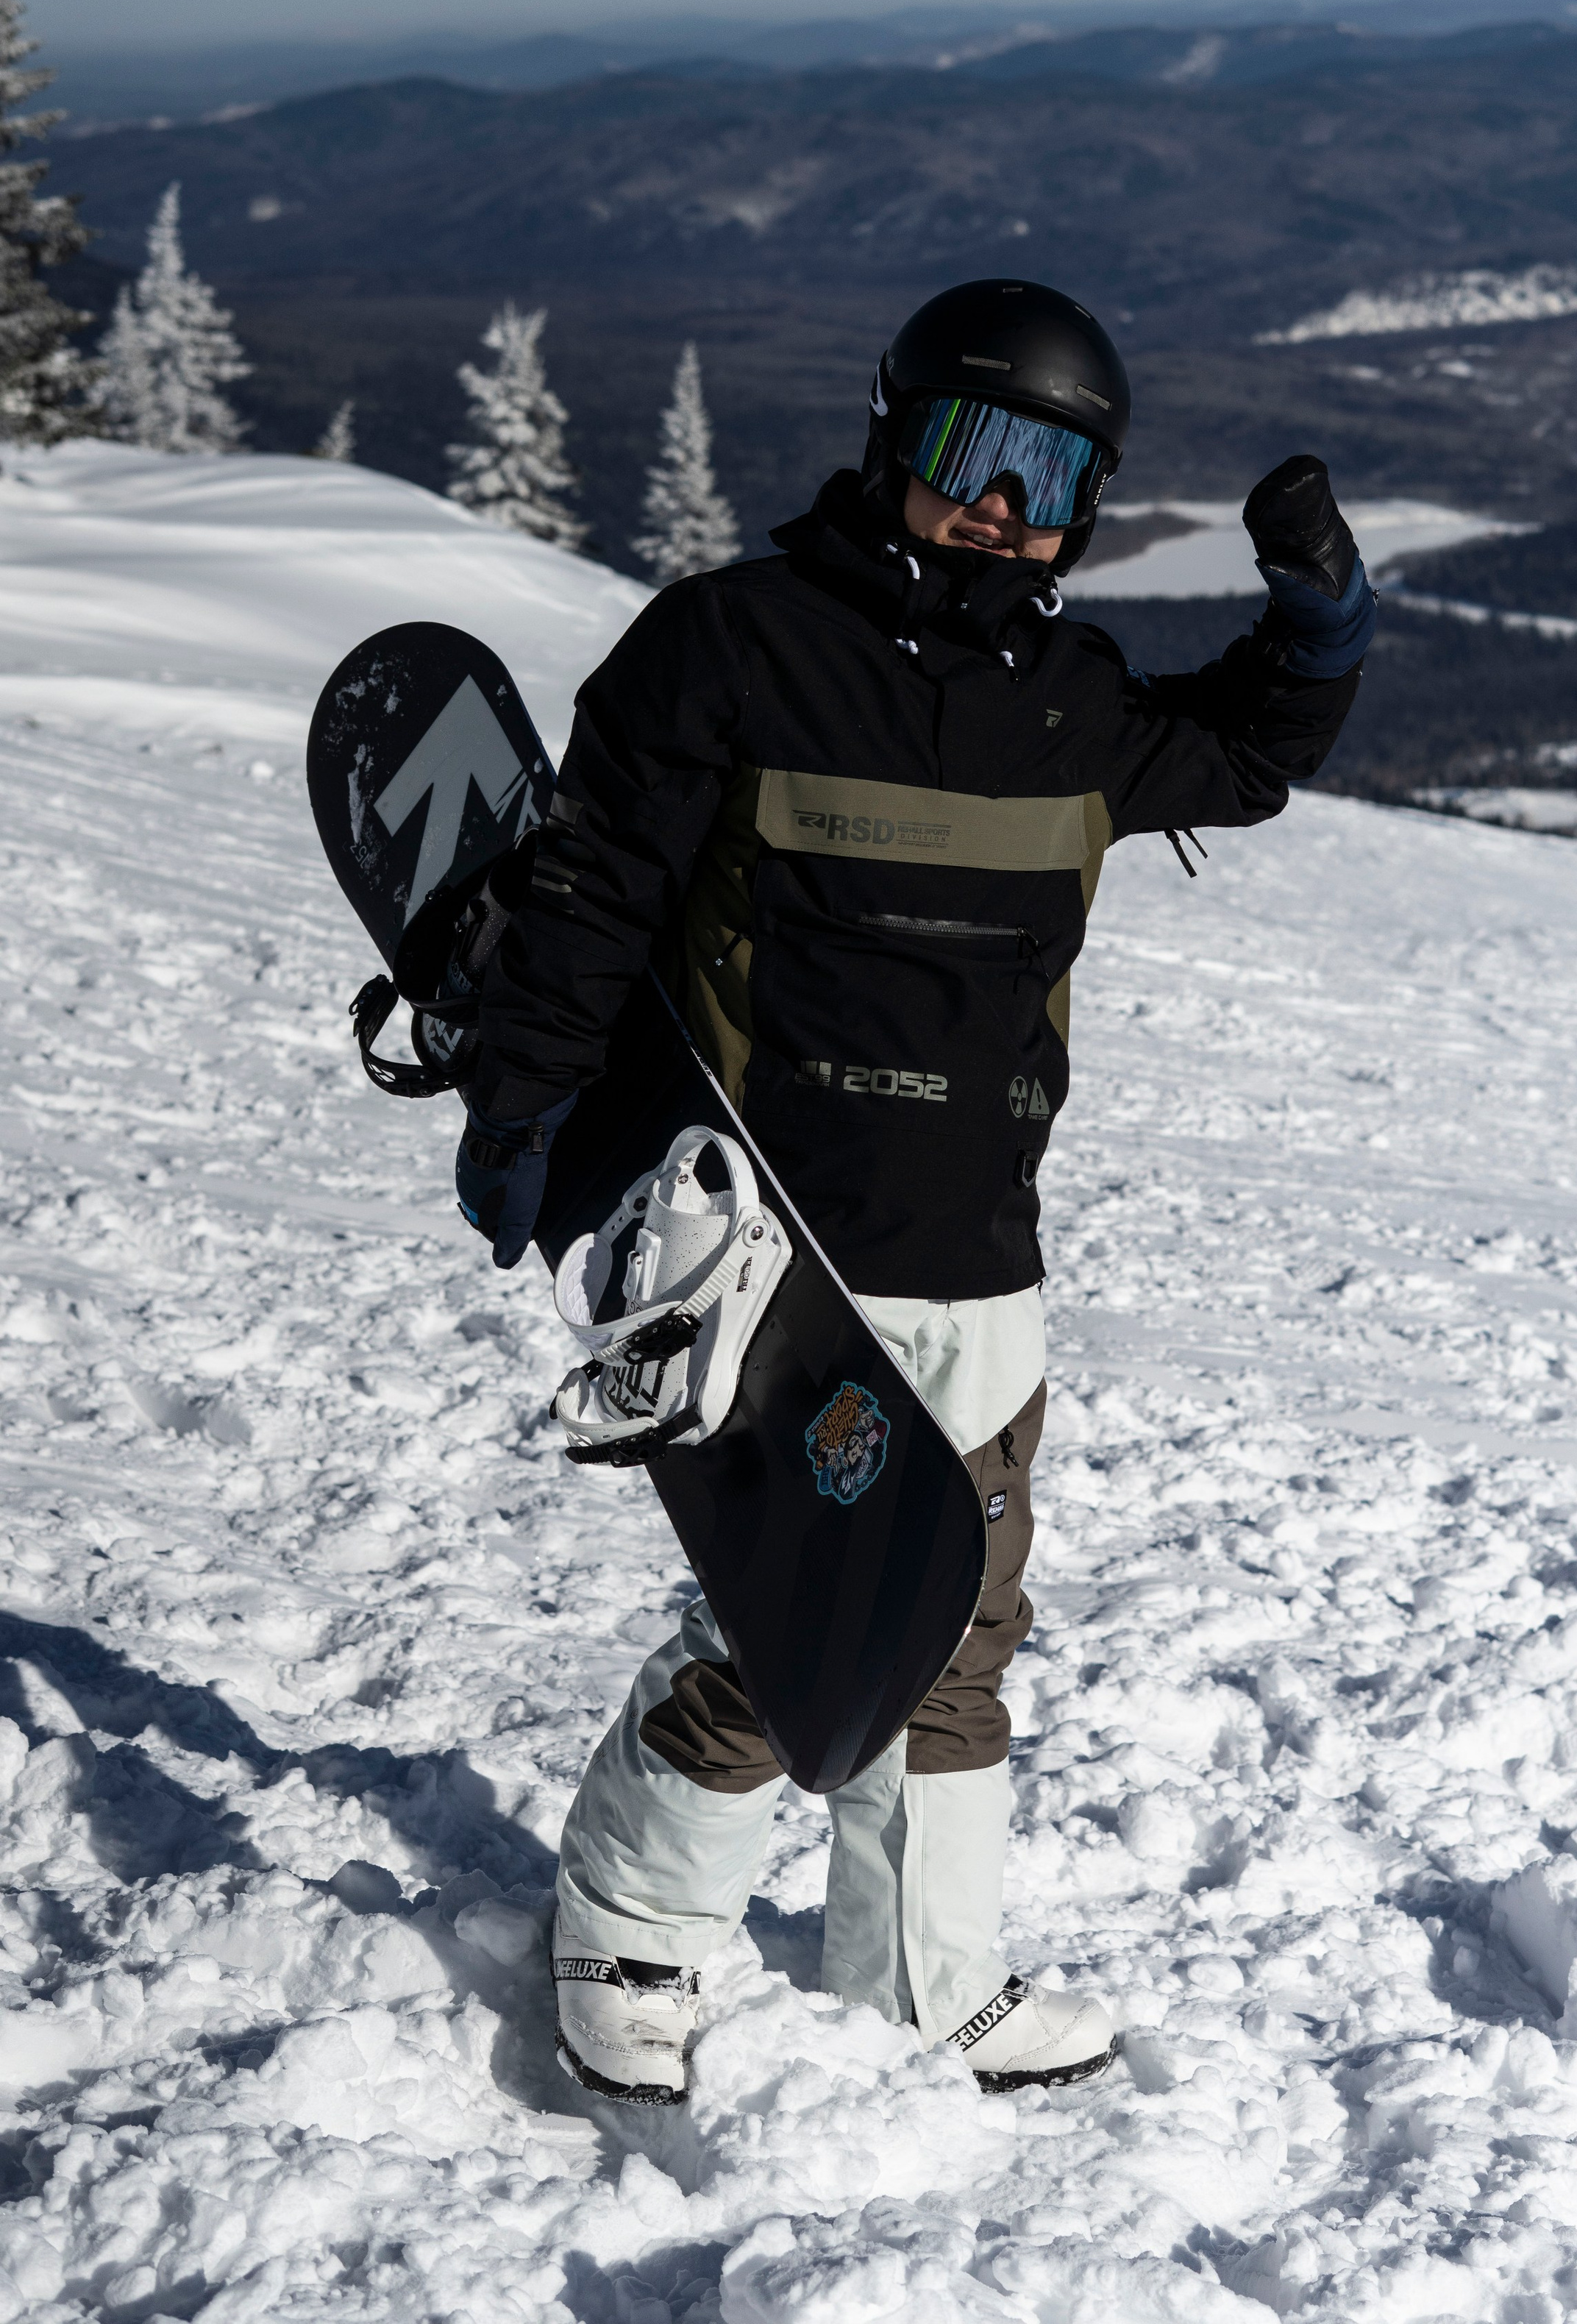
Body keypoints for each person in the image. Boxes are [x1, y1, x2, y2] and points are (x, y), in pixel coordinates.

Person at [456, 278, 1375, 2102]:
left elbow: (1250, 753)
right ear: (895, 443)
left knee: (955, 1619)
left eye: (1052, 476)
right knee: (783, 1619)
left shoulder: (1073, 705)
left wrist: (1318, 621)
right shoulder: (727, 647)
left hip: (979, 1254)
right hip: (764, 1249)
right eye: (975, 454)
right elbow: (584, 904)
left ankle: (919, 1976)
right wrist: (526, 1115)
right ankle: (631, 1937)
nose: (1003, 509)